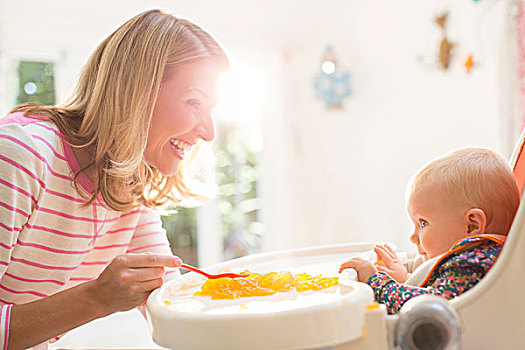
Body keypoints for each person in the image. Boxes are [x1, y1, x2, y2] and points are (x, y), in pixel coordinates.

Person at [0, 9, 229, 349]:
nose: (209, 132)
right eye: (194, 102)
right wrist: (95, 299)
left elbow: (172, 307)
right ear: (137, 90)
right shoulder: (21, 155)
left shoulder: (127, 185)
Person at [340, 147, 520, 314]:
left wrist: (376, 282)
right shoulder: (480, 258)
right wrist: (405, 279)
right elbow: (443, 291)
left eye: (423, 223)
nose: (413, 237)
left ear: (471, 225)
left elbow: (427, 308)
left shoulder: (472, 263)